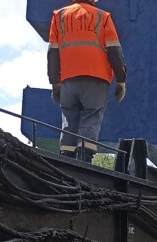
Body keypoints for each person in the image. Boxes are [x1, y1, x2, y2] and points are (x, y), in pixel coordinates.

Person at [47, 0, 127, 163]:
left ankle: (66, 157)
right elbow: (114, 51)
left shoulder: (59, 16)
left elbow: (52, 53)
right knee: (91, 117)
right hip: (96, 77)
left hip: (68, 79)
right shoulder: (103, 17)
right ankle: (84, 159)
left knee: (69, 119)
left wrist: (55, 83)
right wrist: (121, 80)